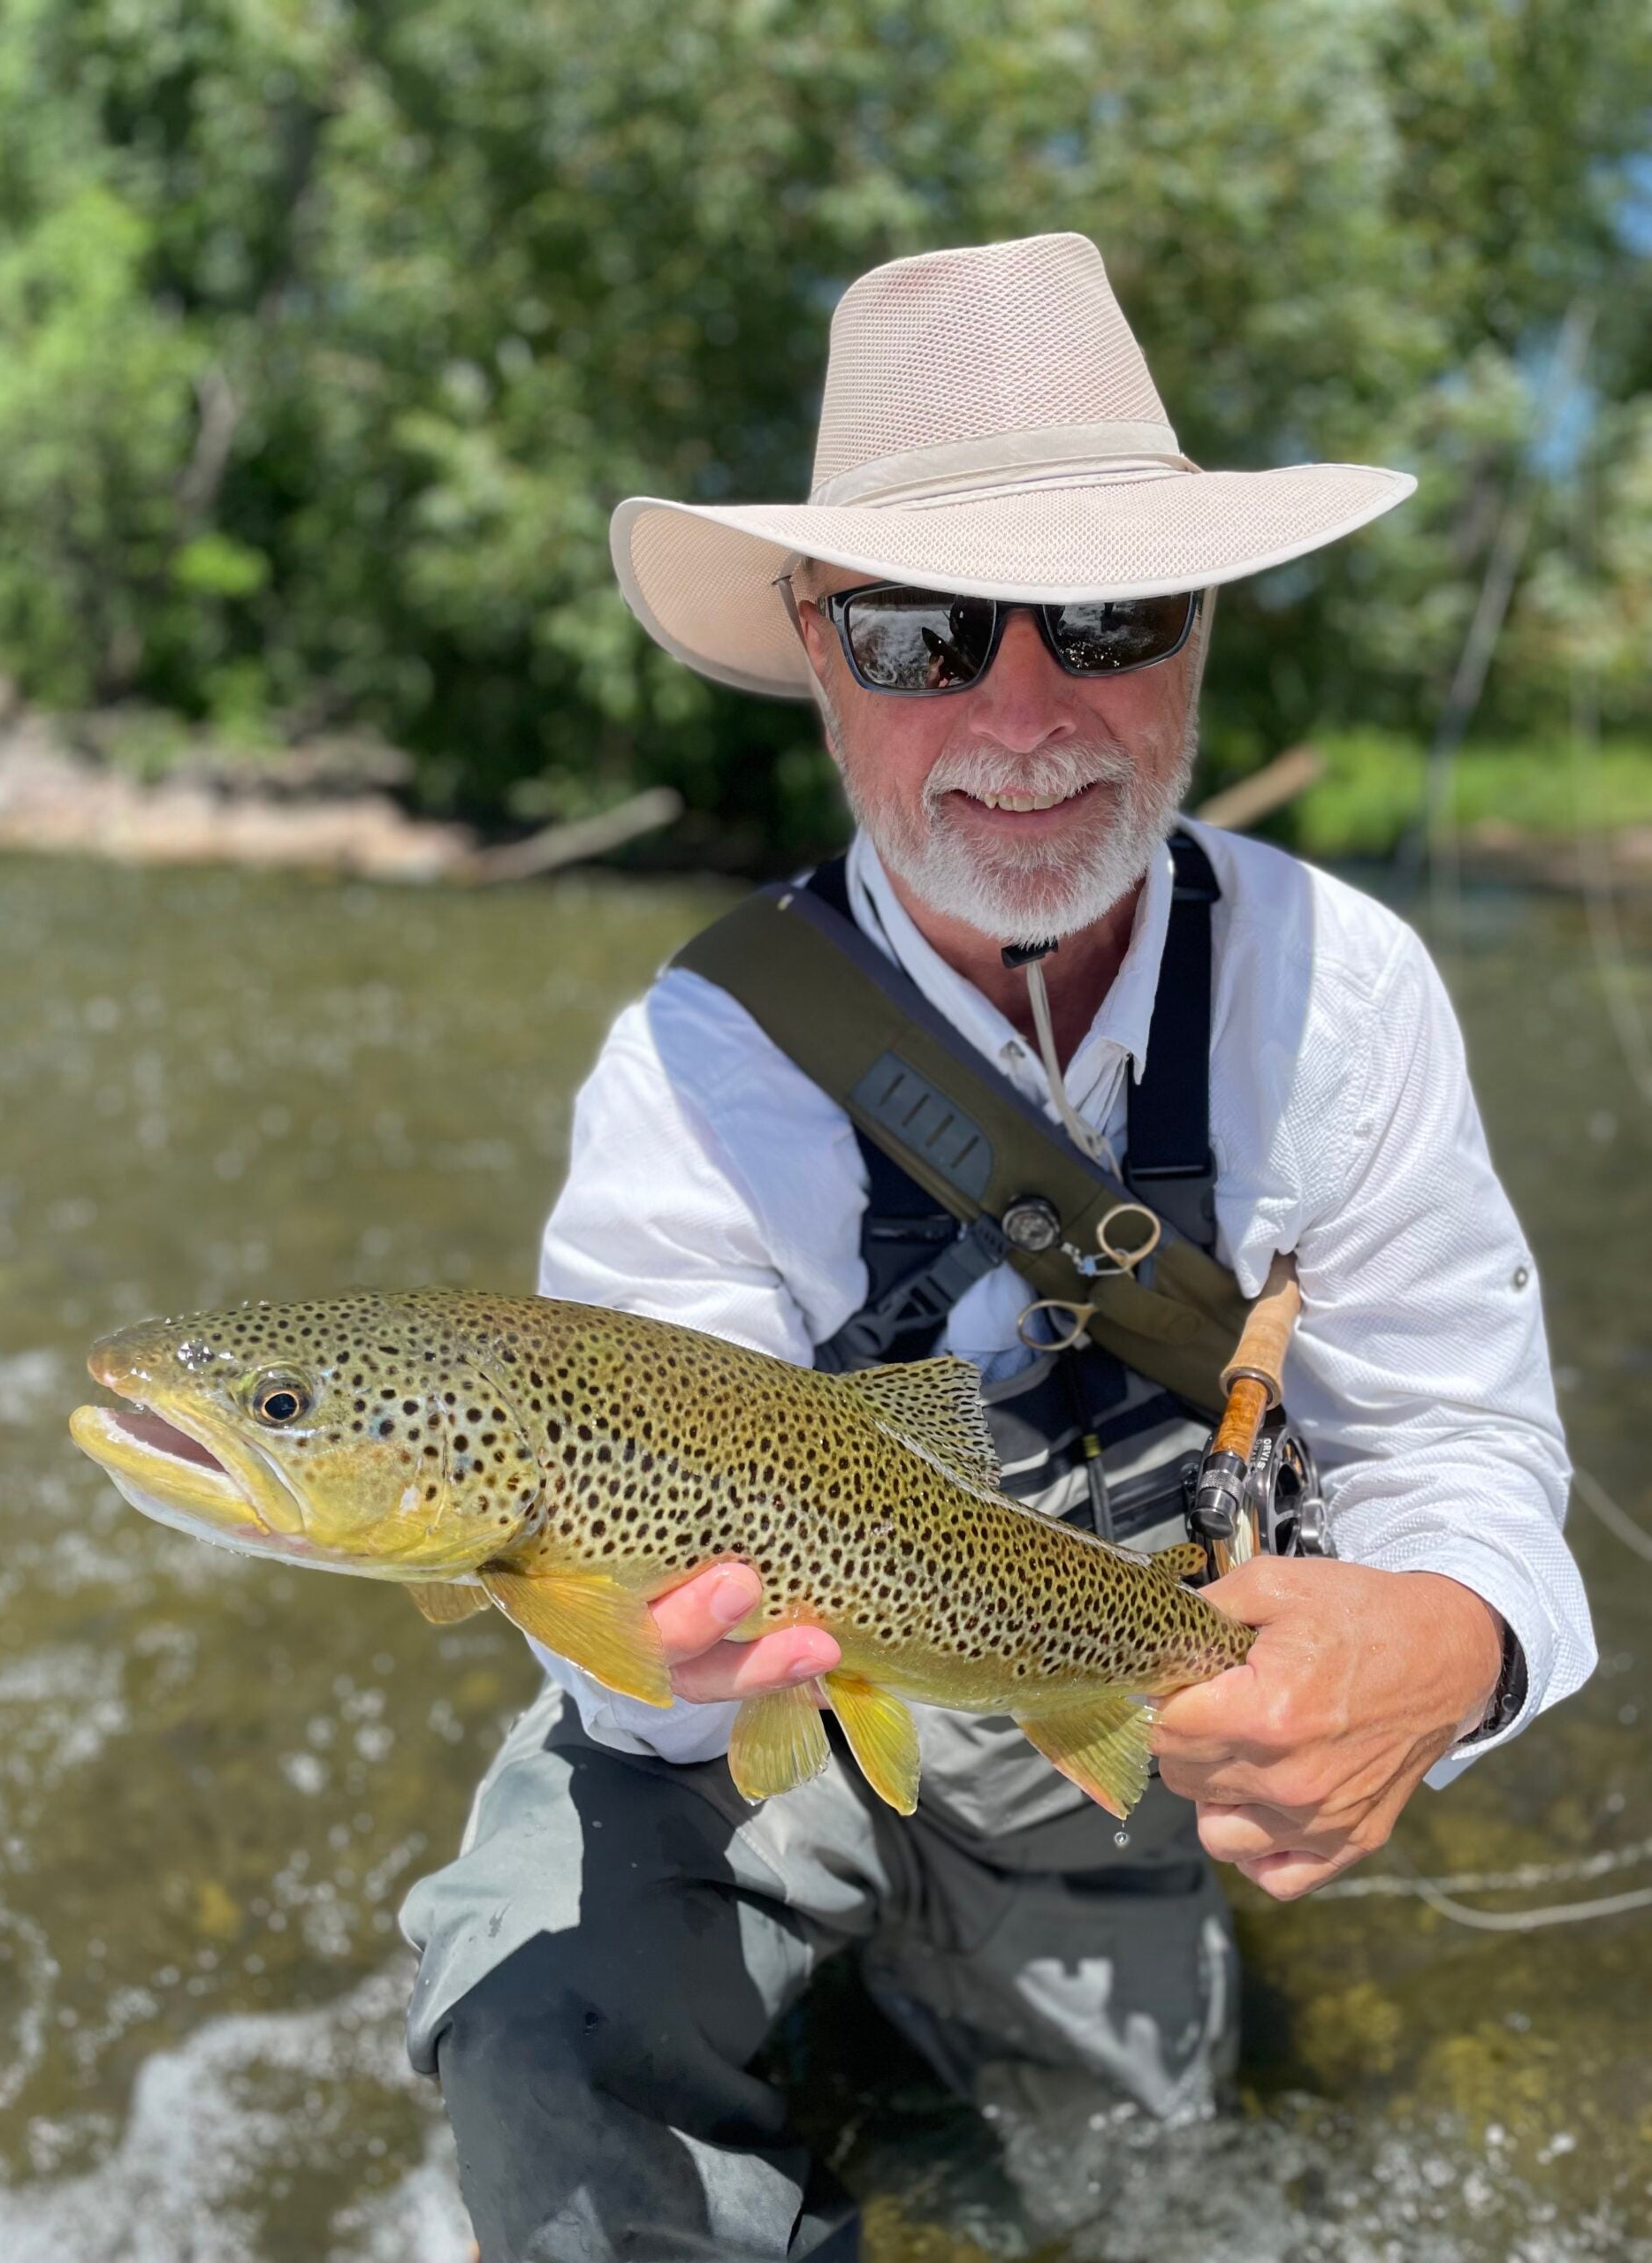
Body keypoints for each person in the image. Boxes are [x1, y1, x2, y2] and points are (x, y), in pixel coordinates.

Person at [400, 232, 1595, 2263]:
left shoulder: (1346, 990)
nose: (1026, 711)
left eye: (1106, 614)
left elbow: (1472, 1454)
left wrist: (1452, 1644)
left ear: (1200, 628)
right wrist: (651, 1638)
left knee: (1127, 2204)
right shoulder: (699, 1063)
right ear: (816, 637)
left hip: (1090, 1720)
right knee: (545, 2041)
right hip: (758, 1740)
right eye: (924, 634)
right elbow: (648, 1642)